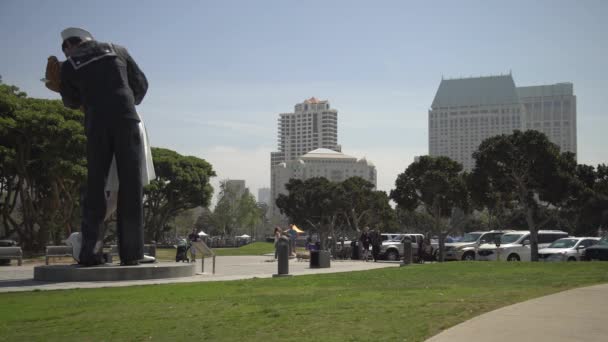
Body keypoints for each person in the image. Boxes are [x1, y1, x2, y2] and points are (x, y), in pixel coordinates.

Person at [58, 27, 149, 266]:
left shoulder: (68, 65)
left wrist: (88, 100)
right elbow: (141, 84)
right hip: (127, 118)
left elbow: (70, 101)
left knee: (96, 185)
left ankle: (91, 252)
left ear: (69, 46)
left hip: (97, 123)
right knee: (131, 185)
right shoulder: (118, 50)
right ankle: (132, 253)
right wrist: (126, 102)